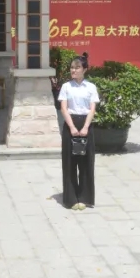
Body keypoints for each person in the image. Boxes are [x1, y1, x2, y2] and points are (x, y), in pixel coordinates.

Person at [58, 53, 99, 211]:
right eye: (72, 67)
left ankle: (85, 197)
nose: (73, 70)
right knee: (70, 162)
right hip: (71, 123)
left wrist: (86, 127)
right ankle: (71, 199)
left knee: (86, 162)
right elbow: (64, 108)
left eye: (77, 67)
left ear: (84, 69)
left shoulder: (91, 87)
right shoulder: (66, 87)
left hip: (86, 123)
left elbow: (92, 109)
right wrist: (72, 127)